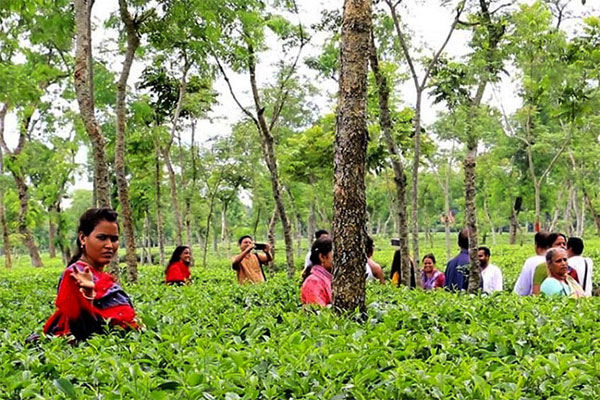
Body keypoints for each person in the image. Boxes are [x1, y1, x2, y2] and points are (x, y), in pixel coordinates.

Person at [43, 208, 137, 341]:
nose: (109, 245)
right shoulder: (75, 275)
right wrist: (87, 297)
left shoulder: (102, 276)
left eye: (114, 239)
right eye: (102, 238)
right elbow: (82, 331)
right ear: (83, 238)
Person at [301, 236, 333, 306]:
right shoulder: (313, 281)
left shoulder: (328, 278)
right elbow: (318, 312)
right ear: (322, 257)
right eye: (334, 256)